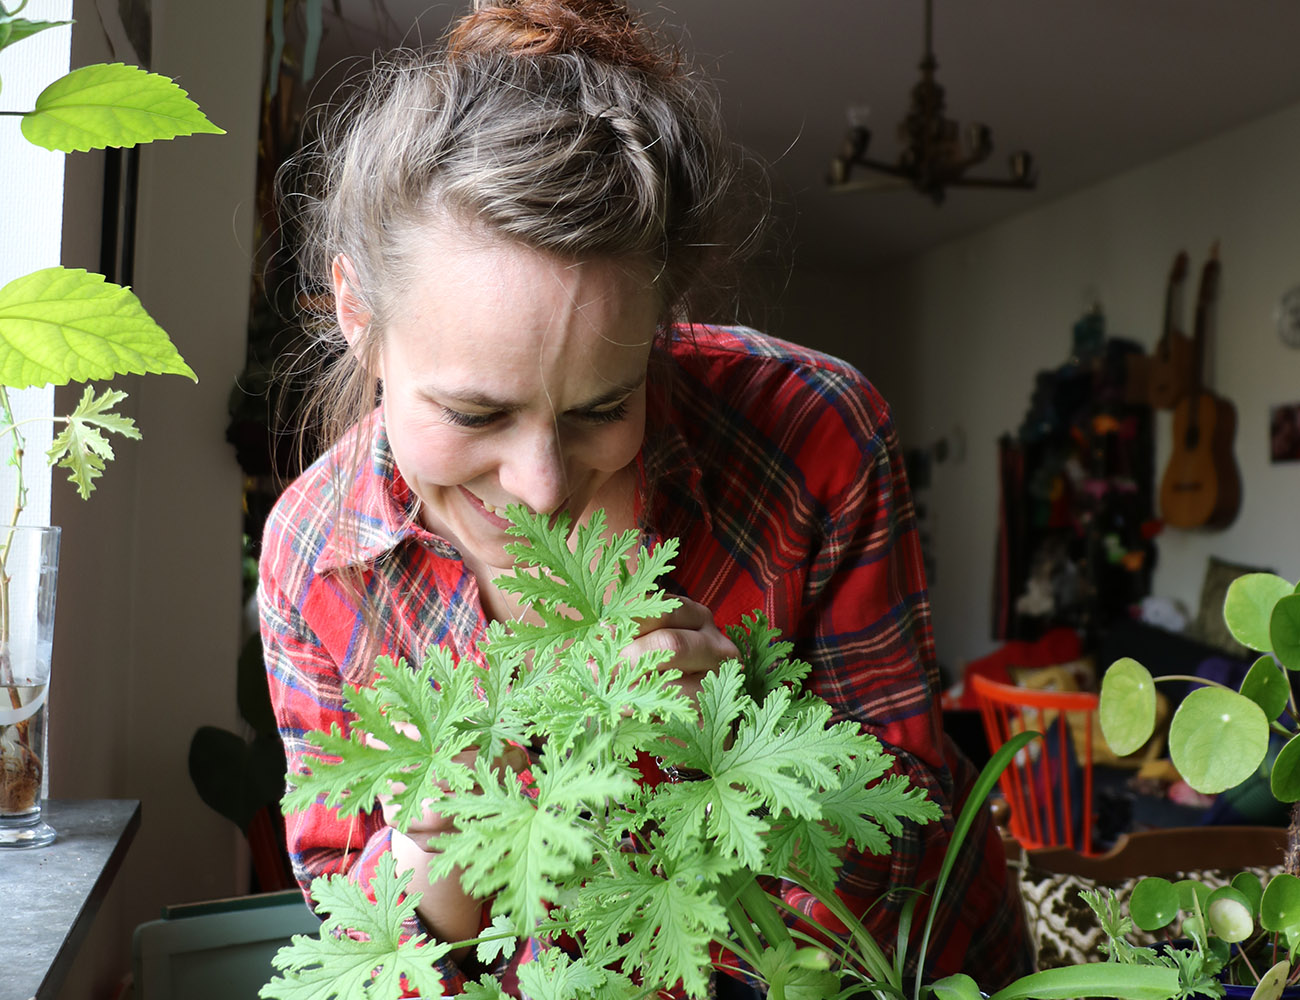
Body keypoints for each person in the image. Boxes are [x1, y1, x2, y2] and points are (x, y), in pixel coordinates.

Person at [257, 0, 1034, 995]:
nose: (538, 485)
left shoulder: (815, 441)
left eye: (601, 405)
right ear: (359, 316)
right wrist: (433, 845)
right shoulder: (316, 559)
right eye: (474, 411)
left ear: (665, 322)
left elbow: (898, 834)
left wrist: (734, 741)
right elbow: (354, 936)